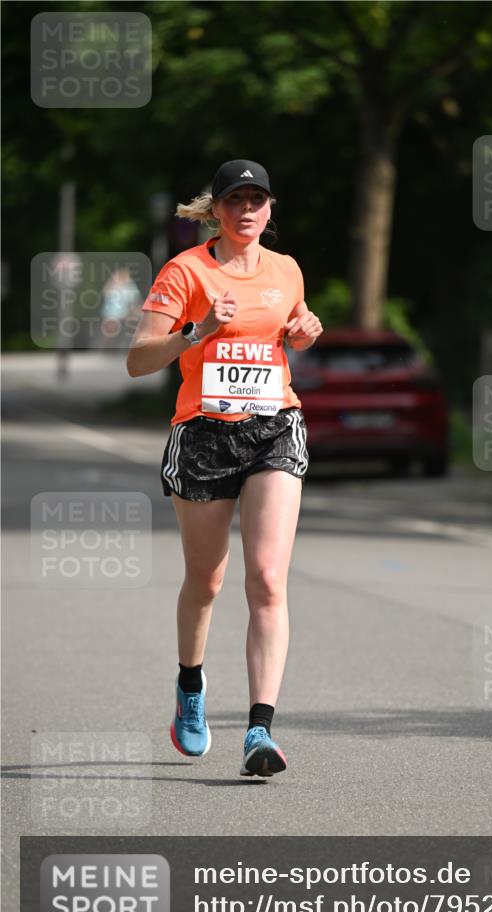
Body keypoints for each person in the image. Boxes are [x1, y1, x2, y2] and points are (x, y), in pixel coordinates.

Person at [126, 159, 323, 776]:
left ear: (269, 210)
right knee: (206, 581)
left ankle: (259, 732)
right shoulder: (186, 271)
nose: (246, 210)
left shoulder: (285, 270)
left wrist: (306, 331)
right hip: (203, 434)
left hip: (274, 427)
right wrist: (195, 332)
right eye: (235, 200)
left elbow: (294, 329)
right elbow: (137, 362)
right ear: (216, 209)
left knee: (266, 579)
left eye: (256, 200)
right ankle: (190, 685)